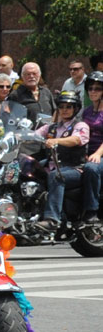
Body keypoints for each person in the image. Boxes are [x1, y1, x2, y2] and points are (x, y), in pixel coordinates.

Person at [36, 90, 91, 230]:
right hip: (52, 166)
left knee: (56, 176)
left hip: (75, 169)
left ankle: (52, 219)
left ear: (75, 108)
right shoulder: (52, 127)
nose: (64, 110)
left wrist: (55, 141)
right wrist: (16, 136)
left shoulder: (80, 126)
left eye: (69, 107)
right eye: (61, 106)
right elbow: (34, 134)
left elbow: (76, 140)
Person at [79, 71, 103, 223]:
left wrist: (98, 154)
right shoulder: (86, 111)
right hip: (87, 154)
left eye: (98, 88)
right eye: (91, 88)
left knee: (91, 168)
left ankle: (92, 211)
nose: (93, 91)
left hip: (100, 154)